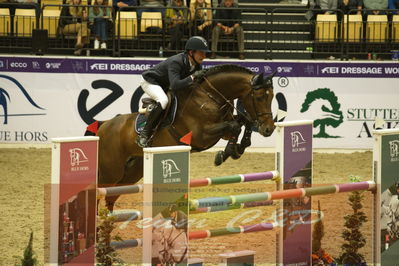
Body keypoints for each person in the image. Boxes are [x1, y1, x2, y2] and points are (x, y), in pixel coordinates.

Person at [136, 36, 209, 148]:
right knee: (163, 101)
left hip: (165, 84)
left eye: (204, 53)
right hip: (150, 81)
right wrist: (193, 77)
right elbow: (175, 85)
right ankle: (144, 135)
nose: (204, 56)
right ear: (191, 52)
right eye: (201, 53)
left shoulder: (196, 64)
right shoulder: (177, 62)